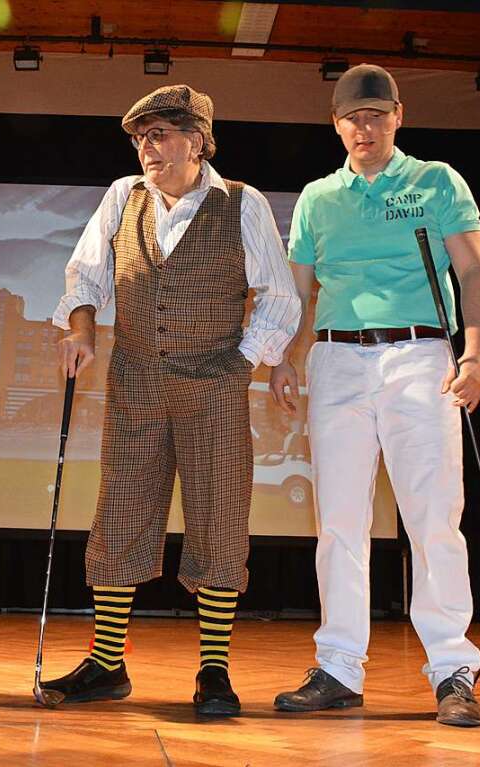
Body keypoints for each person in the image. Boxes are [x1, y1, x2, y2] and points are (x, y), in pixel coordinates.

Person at [44, 85, 301, 715]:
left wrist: (241, 362)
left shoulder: (241, 203)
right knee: (122, 513)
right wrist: (81, 329)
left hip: (215, 382)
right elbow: (85, 273)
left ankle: (213, 669)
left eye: (160, 135)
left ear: (198, 140)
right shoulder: (122, 197)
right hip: (135, 380)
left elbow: (277, 294)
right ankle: (106, 665)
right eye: (140, 139)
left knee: (218, 516)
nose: (148, 149)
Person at [269, 64, 480, 727]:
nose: (363, 127)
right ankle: (337, 666)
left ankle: (451, 669)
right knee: (336, 522)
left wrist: (474, 353)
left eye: (375, 114)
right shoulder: (316, 197)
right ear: (335, 124)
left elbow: (473, 269)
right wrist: (285, 355)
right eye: (351, 116)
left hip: (419, 355)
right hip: (336, 358)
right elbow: (298, 287)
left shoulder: (434, 181)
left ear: (398, 115)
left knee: (431, 516)